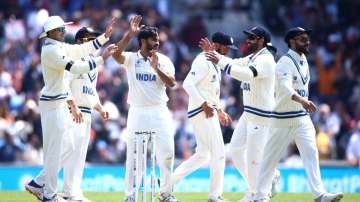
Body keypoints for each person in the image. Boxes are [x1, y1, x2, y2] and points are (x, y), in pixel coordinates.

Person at [24, 15, 116, 202]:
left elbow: (81, 49)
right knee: (56, 151)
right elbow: (75, 68)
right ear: (54, 32)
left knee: (67, 147)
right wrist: (102, 59)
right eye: (62, 30)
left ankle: (41, 186)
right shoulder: (51, 51)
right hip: (53, 102)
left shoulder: (58, 47)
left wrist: (104, 37)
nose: (65, 32)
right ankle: (48, 194)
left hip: (56, 102)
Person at [252, 27, 343, 202]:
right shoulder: (284, 62)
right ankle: (261, 196)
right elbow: (286, 88)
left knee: (311, 153)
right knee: (270, 158)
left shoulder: (304, 60)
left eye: (307, 38)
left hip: (301, 118)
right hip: (282, 119)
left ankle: (319, 195)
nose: (307, 42)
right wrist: (302, 100)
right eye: (302, 39)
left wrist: (302, 103)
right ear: (292, 41)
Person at [202, 26, 279, 202]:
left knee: (253, 160)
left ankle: (261, 196)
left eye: (252, 38)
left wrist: (220, 61)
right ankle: (259, 186)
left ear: (261, 40)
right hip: (249, 113)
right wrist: (214, 54)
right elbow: (237, 63)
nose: (248, 41)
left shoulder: (266, 60)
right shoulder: (253, 57)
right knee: (236, 150)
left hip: (261, 115)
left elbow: (246, 75)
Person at [112, 15, 178, 202]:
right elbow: (116, 54)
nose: (157, 42)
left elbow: (172, 83)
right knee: (134, 158)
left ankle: (166, 194)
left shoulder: (164, 60)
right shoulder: (132, 59)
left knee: (167, 154)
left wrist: (157, 68)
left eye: (158, 39)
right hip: (137, 111)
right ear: (142, 41)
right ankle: (130, 196)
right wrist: (129, 34)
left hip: (159, 111)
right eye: (153, 39)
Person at [171, 32, 233, 202]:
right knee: (219, 153)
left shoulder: (214, 63)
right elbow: (187, 84)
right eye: (226, 47)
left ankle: (167, 184)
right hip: (202, 111)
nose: (228, 51)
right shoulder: (203, 59)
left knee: (203, 155)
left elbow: (211, 92)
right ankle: (215, 196)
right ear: (218, 45)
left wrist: (220, 110)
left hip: (208, 110)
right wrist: (204, 104)